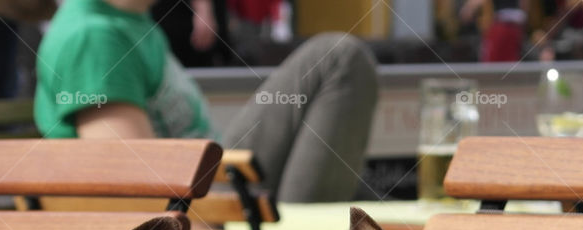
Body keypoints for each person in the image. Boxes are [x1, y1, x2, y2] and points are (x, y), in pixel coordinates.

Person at [34, 0, 378, 203]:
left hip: (221, 196)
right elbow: (142, 193)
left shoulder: (128, 22)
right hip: (215, 224)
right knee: (339, 58)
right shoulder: (94, 37)